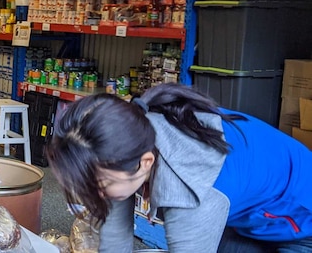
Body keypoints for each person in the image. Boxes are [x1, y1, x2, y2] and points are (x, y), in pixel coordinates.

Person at [46, 83, 312, 253]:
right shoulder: (127, 142)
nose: (94, 196)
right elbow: (115, 240)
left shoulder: (190, 186)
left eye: (100, 187)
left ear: (145, 163)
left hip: (301, 223)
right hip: (252, 214)